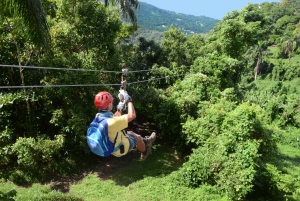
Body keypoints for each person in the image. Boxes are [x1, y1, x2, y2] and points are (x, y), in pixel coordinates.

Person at [93, 91, 156, 160]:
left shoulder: (98, 117)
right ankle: (145, 152)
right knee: (139, 138)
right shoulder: (111, 123)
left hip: (113, 145)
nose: (112, 103)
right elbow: (132, 115)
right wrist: (129, 100)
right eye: (111, 102)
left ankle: (146, 141)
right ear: (108, 105)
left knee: (131, 132)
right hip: (121, 147)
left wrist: (119, 109)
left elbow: (112, 118)